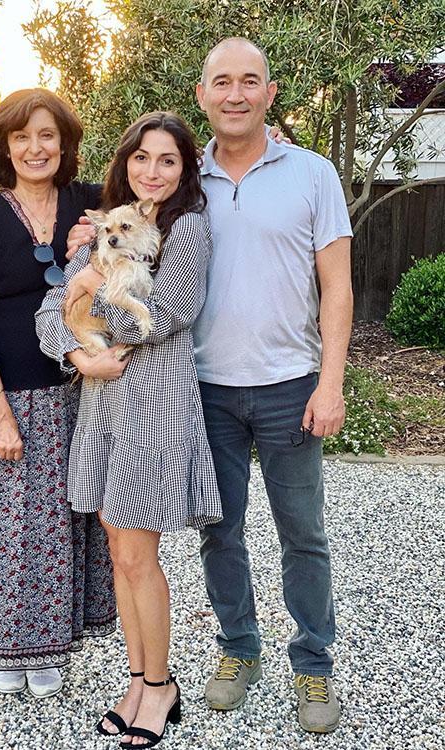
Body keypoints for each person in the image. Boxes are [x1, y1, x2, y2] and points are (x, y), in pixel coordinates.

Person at [36, 111, 223, 748]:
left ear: (184, 168)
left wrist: (89, 291)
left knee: (141, 556)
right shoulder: (106, 224)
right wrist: (76, 352)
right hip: (101, 401)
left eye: (167, 160)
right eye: (142, 158)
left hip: (153, 402)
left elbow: (164, 315)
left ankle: (159, 685)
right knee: (120, 552)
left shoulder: (188, 229)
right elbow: (48, 312)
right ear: (126, 162)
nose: (153, 171)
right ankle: (138, 679)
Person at [193, 38, 353, 733]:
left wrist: (332, 382)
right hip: (205, 389)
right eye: (222, 82)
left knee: (303, 534)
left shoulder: (313, 174)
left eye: (249, 81)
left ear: (270, 91)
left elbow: (338, 286)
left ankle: (313, 664)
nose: (235, 94)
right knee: (218, 531)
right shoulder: (176, 178)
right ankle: (238, 649)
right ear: (202, 94)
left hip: (292, 384)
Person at [0, 88, 116, 699]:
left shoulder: (86, 203)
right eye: (20, 137)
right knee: (9, 528)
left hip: (84, 395)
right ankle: (4, 646)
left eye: (46, 135)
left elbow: (153, 206)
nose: (34, 147)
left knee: (63, 526)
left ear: (64, 142)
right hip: (17, 402)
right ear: (3, 146)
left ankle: (50, 643)